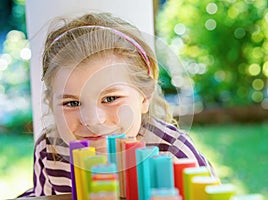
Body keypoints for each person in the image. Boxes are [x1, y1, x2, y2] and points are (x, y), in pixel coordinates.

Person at [19, 12, 216, 197]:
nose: (93, 120)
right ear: (51, 104)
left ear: (145, 97)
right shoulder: (50, 151)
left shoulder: (175, 154)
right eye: (72, 103)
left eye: (110, 99)